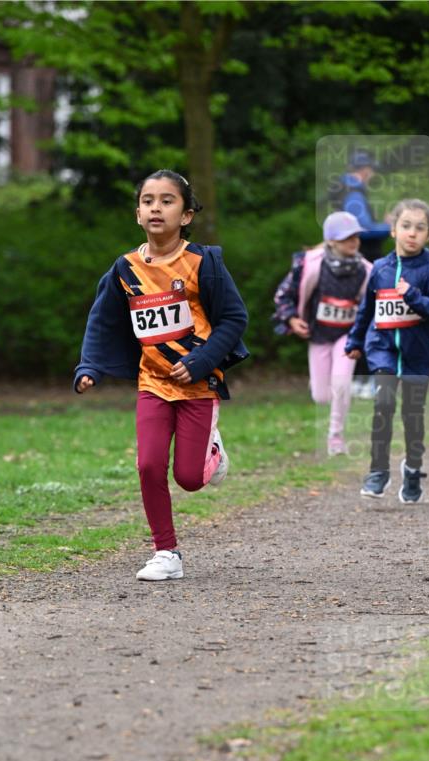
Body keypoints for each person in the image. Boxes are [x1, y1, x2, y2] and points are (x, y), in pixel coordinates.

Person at [74, 169, 249, 581]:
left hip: (198, 384)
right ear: (137, 213)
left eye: (167, 200)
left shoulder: (202, 263)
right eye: (148, 200)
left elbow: (234, 318)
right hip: (152, 383)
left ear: (186, 215)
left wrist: (203, 361)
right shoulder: (126, 269)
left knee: (188, 478)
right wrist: (89, 367)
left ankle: (212, 453)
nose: (156, 207)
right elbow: (102, 322)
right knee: (149, 465)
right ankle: (166, 552)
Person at [344, 198, 429, 503]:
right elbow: (367, 309)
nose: (412, 233)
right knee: (383, 405)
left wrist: (414, 297)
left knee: (413, 415)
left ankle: (413, 469)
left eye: (420, 228)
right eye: (406, 226)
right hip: (382, 349)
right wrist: (355, 341)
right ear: (393, 230)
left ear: (428, 234)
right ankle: (378, 471)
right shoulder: (380, 268)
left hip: (417, 352)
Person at [272, 211, 372, 455]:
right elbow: (283, 295)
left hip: (346, 335)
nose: (354, 242)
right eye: (347, 238)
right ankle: (320, 385)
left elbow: (372, 305)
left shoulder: (366, 270)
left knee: (341, 383)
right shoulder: (309, 264)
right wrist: (292, 319)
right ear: (331, 241)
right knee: (321, 396)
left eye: (356, 237)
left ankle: (335, 437)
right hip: (318, 335)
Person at [333, 150, 392, 398]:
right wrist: (389, 225)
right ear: (365, 170)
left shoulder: (345, 191)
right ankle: (363, 379)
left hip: (354, 265)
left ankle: (357, 378)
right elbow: (363, 229)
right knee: (368, 317)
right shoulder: (354, 194)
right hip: (363, 265)